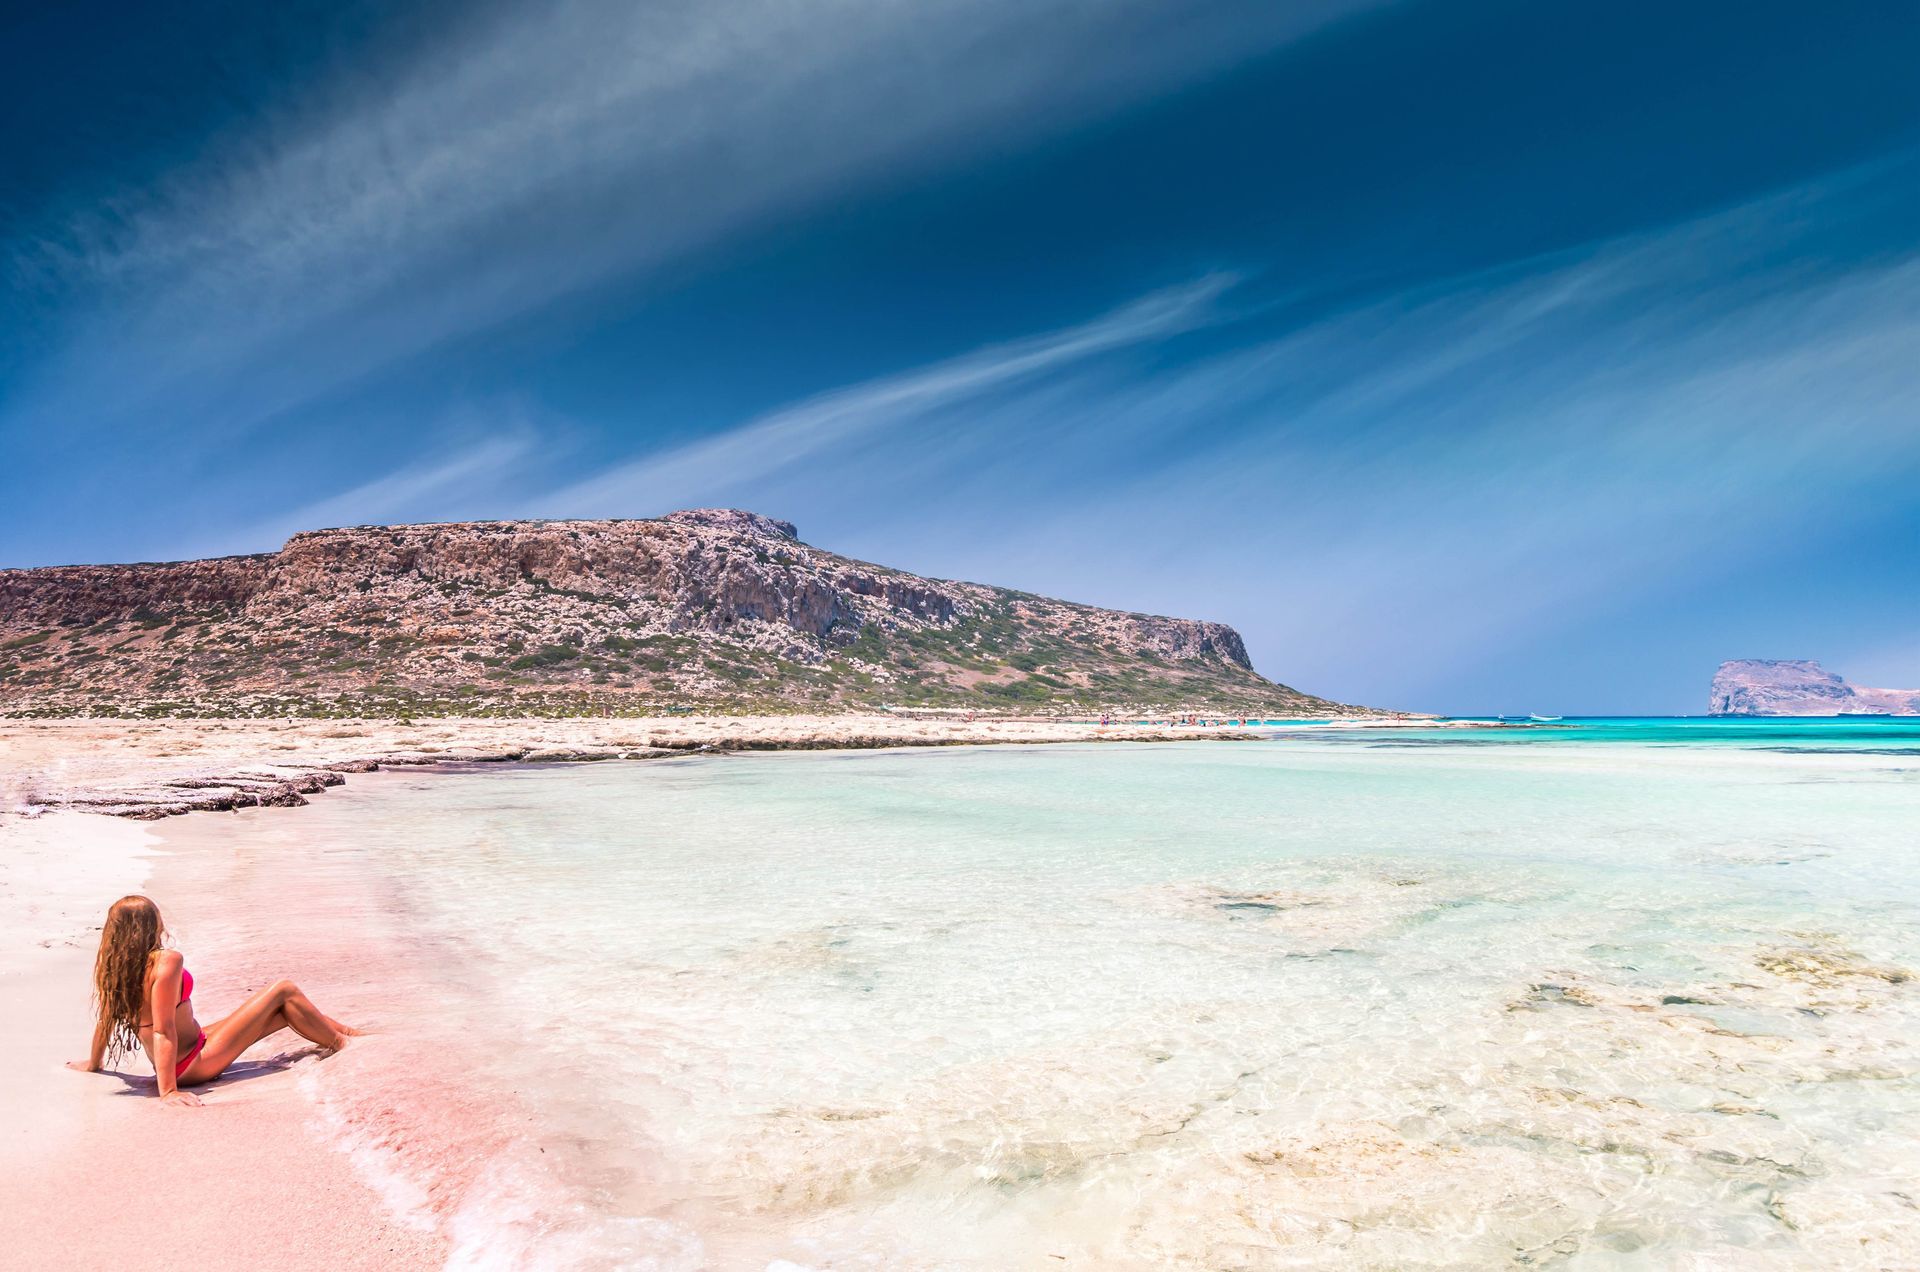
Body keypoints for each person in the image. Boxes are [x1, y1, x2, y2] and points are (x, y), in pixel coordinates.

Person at [67, 895, 361, 1107]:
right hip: (190, 1065)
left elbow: (105, 1021)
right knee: (283, 989)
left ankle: (351, 1036)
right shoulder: (166, 961)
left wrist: (94, 1064)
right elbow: (163, 1029)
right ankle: (347, 1046)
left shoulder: (114, 969)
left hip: (187, 1052)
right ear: (151, 925)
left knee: (284, 1012)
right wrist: (168, 1091)